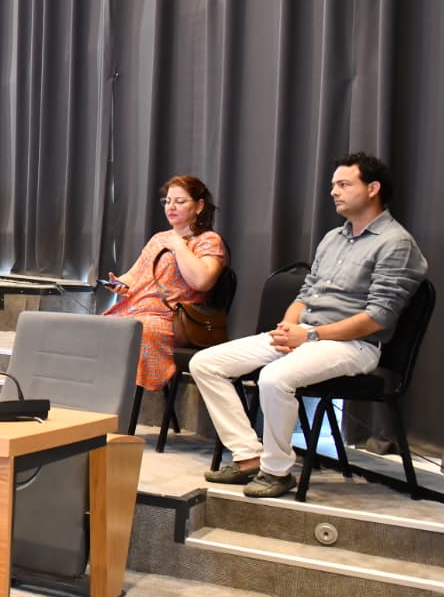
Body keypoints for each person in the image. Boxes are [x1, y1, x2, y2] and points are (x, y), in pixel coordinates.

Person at [190, 152, 426, 499]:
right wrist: (287, 328)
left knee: (274, 378)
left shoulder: (395, 243)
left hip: (353, 345)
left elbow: (378, 317)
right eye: (333, 185)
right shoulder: (333, 238)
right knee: (205, 363)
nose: (334, 192)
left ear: (373, 188)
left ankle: (276, 471)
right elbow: (306, 293)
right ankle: (248, 456)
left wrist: (310, 334)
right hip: (305, 335)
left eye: (344, 184)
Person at [101, 175, 227, 390]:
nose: (171, 207)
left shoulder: (208, 240)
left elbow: (202, 281)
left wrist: (178, 245)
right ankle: (99, 392)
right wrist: (119, 283)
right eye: (168, 201)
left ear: (199, 206)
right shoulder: (159, 238)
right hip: (137, 310)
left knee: (138, 329)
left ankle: (132, 397)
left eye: (180, 201)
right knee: (100, 327)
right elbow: (134, 275)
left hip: (172, 319)